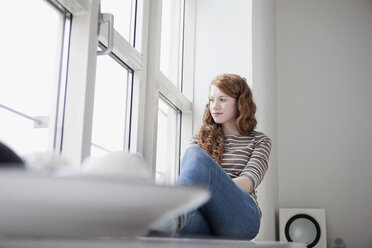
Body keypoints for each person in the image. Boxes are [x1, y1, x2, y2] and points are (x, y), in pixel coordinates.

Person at [149, 73, 271, 240]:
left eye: (222, 99)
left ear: (240, 103)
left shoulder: (260, 141)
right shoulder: (196, 141)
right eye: (212, 100)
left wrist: (210, 186)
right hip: (204, 218)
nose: (215, 106)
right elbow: (190, 179)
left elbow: (248, 182)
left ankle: (174, 210)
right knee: (168, 223)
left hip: (242, 219)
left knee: (194, 155)